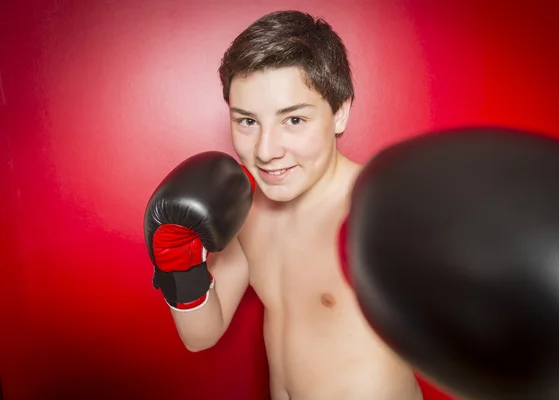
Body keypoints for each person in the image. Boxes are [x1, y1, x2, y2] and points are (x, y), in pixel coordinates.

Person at [144, 10, 422, 400]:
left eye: (293, 120)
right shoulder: (245, 209)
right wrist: (179, 264)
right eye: (247, 121)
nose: (266, 151)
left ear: (340, 111)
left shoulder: (385, 211)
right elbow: (200, 337)